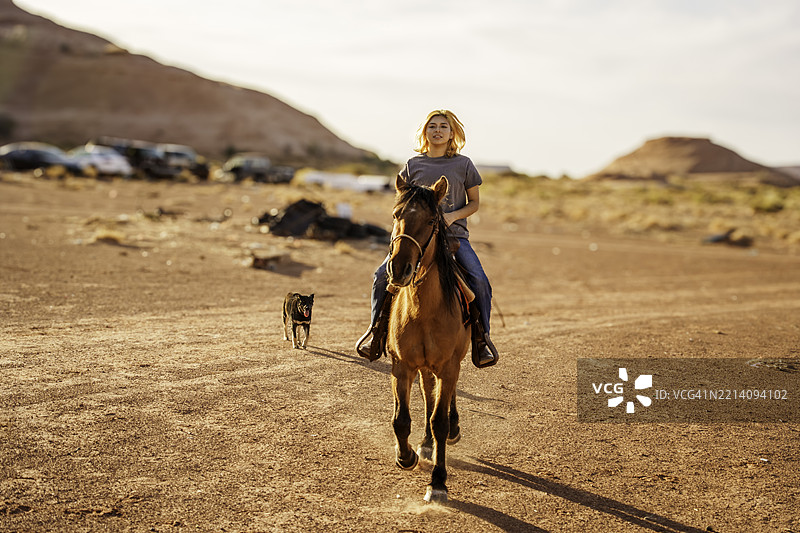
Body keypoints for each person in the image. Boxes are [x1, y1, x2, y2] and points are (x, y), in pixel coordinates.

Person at [355, 109, 499, 368]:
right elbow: (402, 208)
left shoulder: (463, 164)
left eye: (444, 126)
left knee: (478, 279)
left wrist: (451, 217)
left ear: (452, 133)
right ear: (425, 132)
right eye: (432, 126)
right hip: (415, 239)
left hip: (453, 237)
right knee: (380, 276)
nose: (438, 130)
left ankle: (481, 338)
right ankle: (376, 332)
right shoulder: (413, 165)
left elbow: (474, 203)